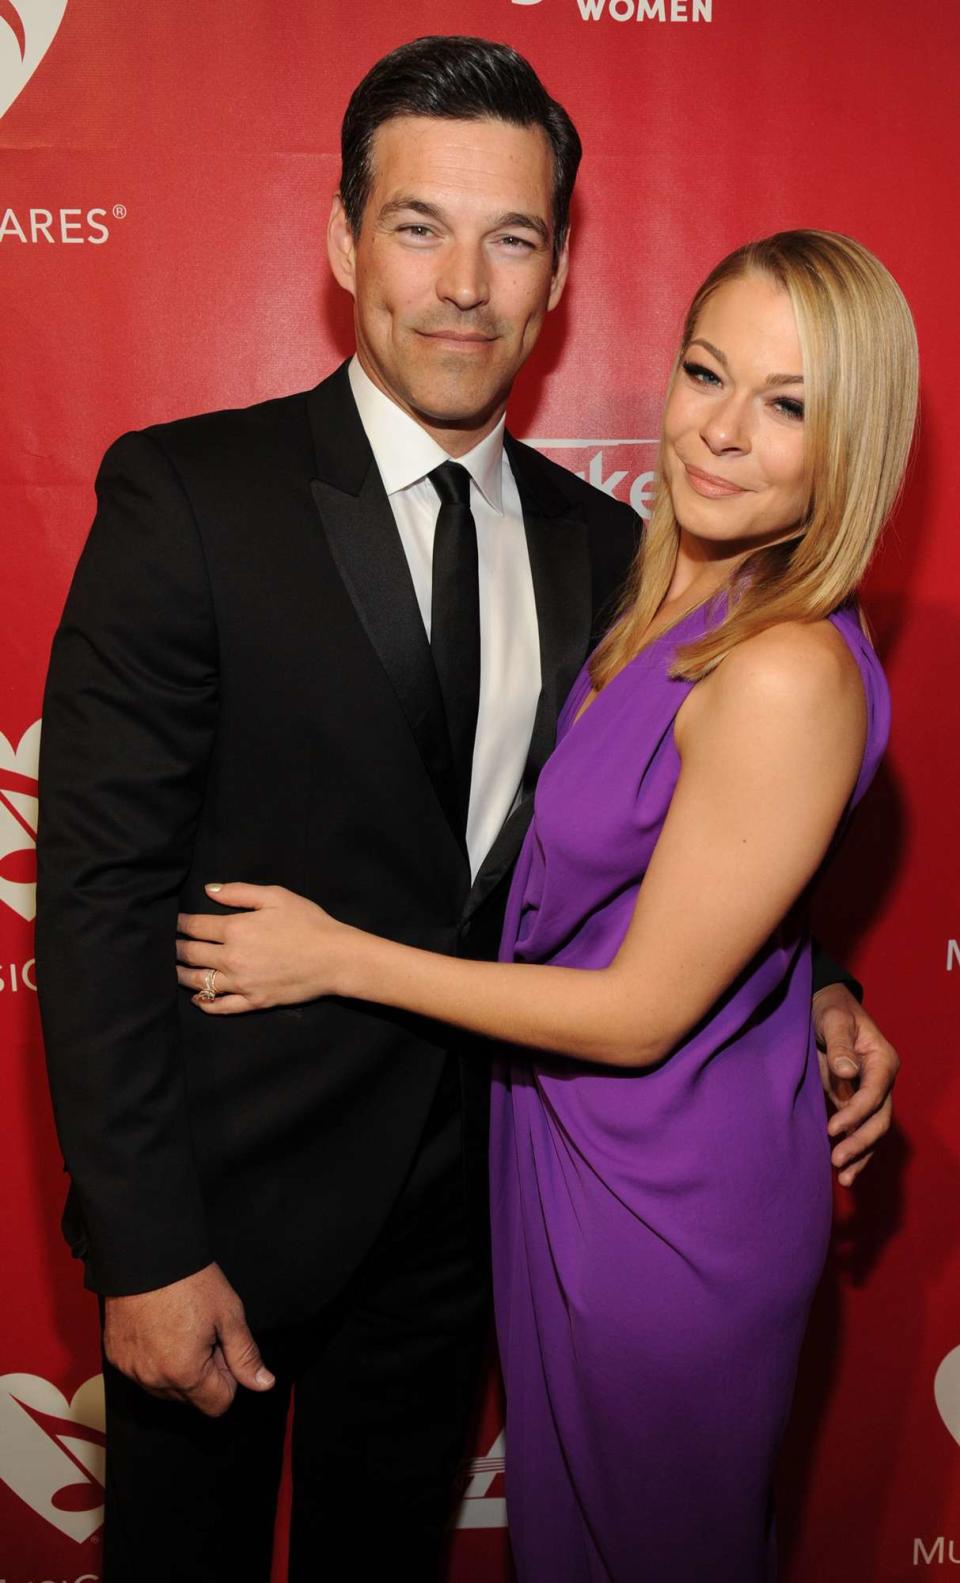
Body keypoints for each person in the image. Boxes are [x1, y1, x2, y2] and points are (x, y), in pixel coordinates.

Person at [36, 30, 896, 1582]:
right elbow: (93, 896)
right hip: (230, 1214)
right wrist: (148, 1246)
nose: (463, 284)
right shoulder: (186, 499)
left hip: (475, 1221)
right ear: (340, 240)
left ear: (562, 272)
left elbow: (675, 839)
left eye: (512, 238)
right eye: (419, 225)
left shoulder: (616, 551)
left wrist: (816, 981)